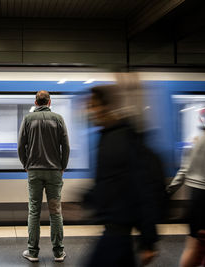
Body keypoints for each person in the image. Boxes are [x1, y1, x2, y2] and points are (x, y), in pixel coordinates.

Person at [84, 84, 159, 267]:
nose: (88, 111)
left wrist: (148, 240)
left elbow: (144, 188)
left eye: (92, 105)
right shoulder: (107, 136)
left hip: (117, 230)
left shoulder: (123, 138)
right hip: (117, 230)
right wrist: (86, 198)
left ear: (106, 107)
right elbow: (109, 181)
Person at [167, 104, 205, 267]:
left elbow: (185, 169)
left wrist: (170, 189)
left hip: (194, 197)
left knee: (193, 244)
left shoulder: (198, 138)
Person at [18, 90, 70, 263]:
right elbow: (66, 146)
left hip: (34, 171)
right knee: (55, 212)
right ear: (49, 102)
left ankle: (32, 252)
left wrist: (26, 165)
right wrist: (62, 166)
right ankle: (58, 253)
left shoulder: (27, 119)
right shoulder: (58, 118)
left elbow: (20, 146)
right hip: (54, 171)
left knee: (34, 211)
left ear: (36, 102)